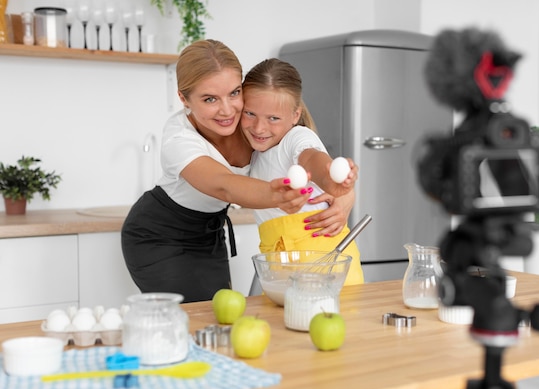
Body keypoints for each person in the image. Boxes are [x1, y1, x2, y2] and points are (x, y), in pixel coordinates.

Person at [121, 40, 353, 303]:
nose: (227, 109)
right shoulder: (178, 139)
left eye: (234, 93)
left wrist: (344, 196)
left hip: (210, 231)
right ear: (184, 99)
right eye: (210, 99)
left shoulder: (253, 123)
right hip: (160, 234)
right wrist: (275, 195)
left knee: (221, 315)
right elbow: (224, 185)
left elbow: (309, 155)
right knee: (198, 317)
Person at [241, 58, 364, 286]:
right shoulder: (257, 153)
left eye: (273, 118)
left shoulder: (296, 138)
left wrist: (332, 180)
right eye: (250, 114)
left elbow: (313, 160)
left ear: (295, 115)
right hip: (281, 267)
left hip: (328, 270)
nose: (259, 128)